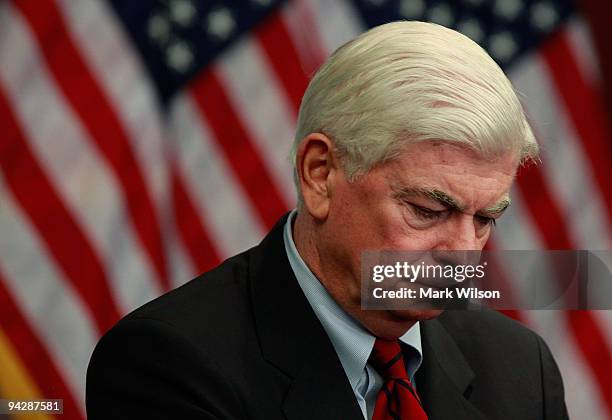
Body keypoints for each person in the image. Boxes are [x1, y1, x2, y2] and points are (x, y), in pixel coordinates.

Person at [86, 21, 569, 419]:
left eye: (485, 219)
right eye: (428, 210)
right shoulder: (168, 365)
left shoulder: (521, 369)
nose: (462, 255)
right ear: (320, 174)